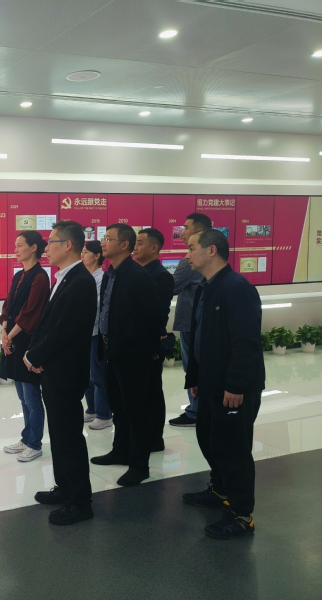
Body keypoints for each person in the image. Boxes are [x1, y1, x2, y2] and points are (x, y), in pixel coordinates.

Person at [182, 229, 264, 539]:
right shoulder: (207, 287)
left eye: (192, 248)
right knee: (210, 439)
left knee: (233, 449)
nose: (187, 254)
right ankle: (220, 491)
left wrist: (236, 385)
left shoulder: (237, 288)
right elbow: (200, 335)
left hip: (233, 387)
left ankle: (242, 514)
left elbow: (246, 342)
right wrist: (195, 377)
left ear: (211, 250)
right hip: (210, 382)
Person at [26, 220, 97, 525]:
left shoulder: (80, 281)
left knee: (69, 437)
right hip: (55, 370)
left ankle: (80, 502)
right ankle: (65, 487)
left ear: (68, 245)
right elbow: (48, 325)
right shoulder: (65, 278)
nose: (46, 248)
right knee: (57, 433)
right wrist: (35, 354)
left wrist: (34, 356)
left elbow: (63, 331)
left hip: (66, 372)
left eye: (51, 242)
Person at [90, 224, 161, 486]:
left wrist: (146, 350)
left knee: (135, 409)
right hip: (111, 349)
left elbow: (154, 317)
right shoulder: (110, 273)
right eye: (103, 238)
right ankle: (120, 450)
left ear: (124, 245)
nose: (103, 242)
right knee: (118, 406)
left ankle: (139, 465)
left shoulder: (137, 275)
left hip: (132, 353)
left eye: (108, 239)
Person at [0, 231, 50, 462]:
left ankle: (34, 443)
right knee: (22, 395)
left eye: (20, 245)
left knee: (31, 396)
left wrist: (9, 336)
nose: (16, 249)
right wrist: (4, 332)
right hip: (13, 340)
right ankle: (26, 437)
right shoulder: (19, 275)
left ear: (34, 248)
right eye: (16, 245)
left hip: (27, 342)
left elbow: (31, 313)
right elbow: (8, 306)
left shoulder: (40, 277)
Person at [132, 228, 174, 451]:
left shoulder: (160, 275)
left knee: (152, 392)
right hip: (136, 343)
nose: (135, 247)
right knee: (140, 392)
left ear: (154, 247)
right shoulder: (138, 272)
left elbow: (158, 314)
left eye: (140, 243)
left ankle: (155, 438)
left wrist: (152, 345)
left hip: (149, 344)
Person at [169, 213, 212, 427]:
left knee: (192, 368)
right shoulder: (206, 258)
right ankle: (200, 410)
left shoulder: (189, 261)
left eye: (186, 227)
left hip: (189, 322)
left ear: (198, 231)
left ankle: (195, 412)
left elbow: (172, 286)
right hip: (196, 320)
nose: (182, 232)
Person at [80, 240, 112, 430]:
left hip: (95, 333)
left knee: (98, 375)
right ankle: (91, 409)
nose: (82, 255)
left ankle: (104, 414)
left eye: (86, 252)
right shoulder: (84, 277)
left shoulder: (101, 278)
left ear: (97, 256)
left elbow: (96, 307)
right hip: (83, 333)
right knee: (86, 374)